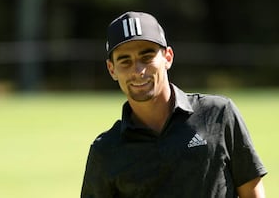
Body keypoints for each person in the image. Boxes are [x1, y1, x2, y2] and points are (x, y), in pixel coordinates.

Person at [81, 11, 267, 198]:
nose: (138, 71)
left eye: (147, 57)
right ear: (111, 69)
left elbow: (253, 193)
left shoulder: (218, 114)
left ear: (168, 57)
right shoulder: (106, 150)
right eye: (125, 61)